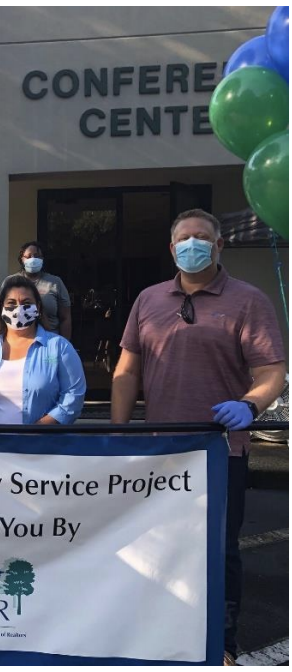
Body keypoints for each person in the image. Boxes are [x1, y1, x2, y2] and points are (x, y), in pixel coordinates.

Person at [110, 209, 286, 666]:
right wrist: (118, 433)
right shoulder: (148, 300)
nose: (193, 244)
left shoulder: (248, 301)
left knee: (220, 550)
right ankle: (160, 631)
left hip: (220, 450)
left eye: (202, 238)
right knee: (156, 545)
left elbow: (272, 373)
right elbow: (127, 372)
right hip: (161, 450)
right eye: (184, 238)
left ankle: (220, 643)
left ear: (219, 244)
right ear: (172, 250)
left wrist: (249, 405)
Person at [0, 276, 85, 425]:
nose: (19, 309)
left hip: (40, 445)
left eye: (26, 303)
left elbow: (73, 395)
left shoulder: (59, 348)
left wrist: (36, 431)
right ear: (1, 309)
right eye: (11, 303)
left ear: (38, 307)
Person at [2, 241, 71, 339]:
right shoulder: (10, 282)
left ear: (42, 259)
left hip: (50, 340)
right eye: (29, 256)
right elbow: (3, 315)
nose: (33, 259)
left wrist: (65, 344)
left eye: (37, 256)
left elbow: (65, 318)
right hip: (20, 340)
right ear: (22, 259)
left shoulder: (55, 282)